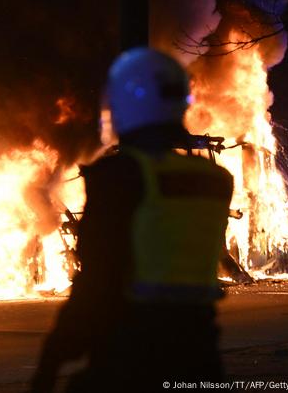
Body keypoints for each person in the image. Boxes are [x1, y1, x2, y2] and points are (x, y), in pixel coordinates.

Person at [32, 48, 233, 392]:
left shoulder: (121, 176)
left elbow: (97, 281)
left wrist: (52, 361)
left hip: (132, 356)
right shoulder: (215, 179)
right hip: (200, 354)